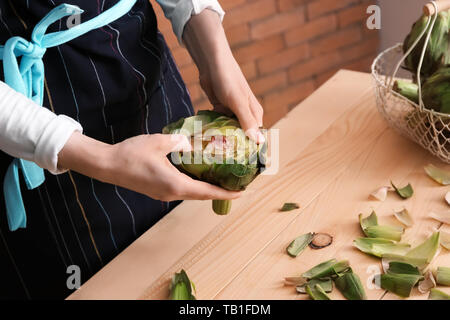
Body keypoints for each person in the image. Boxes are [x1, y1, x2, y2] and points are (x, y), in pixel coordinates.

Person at [0, 0, 264, 299]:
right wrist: (102, 159)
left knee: (193, 261)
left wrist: (215, 52)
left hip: (142, 72)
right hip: (29, 125)